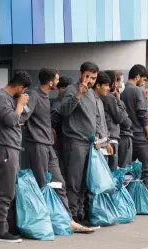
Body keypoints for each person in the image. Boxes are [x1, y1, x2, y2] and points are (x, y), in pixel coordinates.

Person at [21, 67, 93, 234]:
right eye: (57, 79)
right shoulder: (34, 95)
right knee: (42, 184)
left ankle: (68, 220)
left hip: (48, 146)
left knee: (59, 183)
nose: (60, 82)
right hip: (37, 145)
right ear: (51, 82)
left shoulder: (46, 96)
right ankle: (43, 223)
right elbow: (23, 116)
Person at [0, 71, 31, 242]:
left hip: (11, 148)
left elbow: (24, 116)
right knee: (6, 192)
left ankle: (9, 226)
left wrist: (20, 105)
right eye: (24, 90)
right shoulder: (0, 98)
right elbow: (11, 120)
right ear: (20, 87)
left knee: (11, 191)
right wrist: (19, 104)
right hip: (4, 149)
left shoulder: (10, 99)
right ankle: (0, 231)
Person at [60, 61, 99, 224]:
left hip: (89, 142)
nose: (90, 81)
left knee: (84, 180)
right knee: (74, 181)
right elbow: (64, 110)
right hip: (75, 141)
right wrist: (78, 95)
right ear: (80, 74)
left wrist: (97, 137)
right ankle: (73, 215)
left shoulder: (91, 93)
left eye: (93, 78)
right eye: (87, 76)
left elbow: (93, 118)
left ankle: (81, 213)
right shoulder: (72, 89)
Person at [100, 70, 129, 171]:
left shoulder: (100, 97)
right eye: (117, 81)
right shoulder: (109, 98)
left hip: (104, 138)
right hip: (110, 138)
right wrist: (119, 101)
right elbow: (121, 118)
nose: (119, 85)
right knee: (112, 171)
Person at [51, 76, 72, 158]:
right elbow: (51, 127)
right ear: (58, 89)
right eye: (64, 88)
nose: (67, 91)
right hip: (60, 142)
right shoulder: (57, 105)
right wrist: (56, 144)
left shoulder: (68, 103)